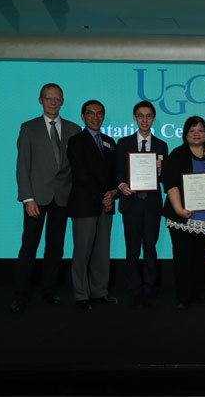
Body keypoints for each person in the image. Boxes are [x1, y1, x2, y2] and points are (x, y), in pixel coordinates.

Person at [12, 83, 81, 313]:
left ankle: (48, 293)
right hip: (36, 198)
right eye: (48, 98)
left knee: (55, 248)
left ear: (62, 101)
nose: (53, 102)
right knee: (29, 247)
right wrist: (27, 198)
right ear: (40, 100)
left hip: (62, 198)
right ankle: (20, 296)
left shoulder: (74, 129)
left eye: (57, 98)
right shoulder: (29, 128)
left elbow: (78, 167)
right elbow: (23, 166)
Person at [162, 116, 205, 310]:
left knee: (201, 258)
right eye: (192, 130)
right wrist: (179, 209)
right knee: (182, 257)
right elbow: (170, 184)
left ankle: (200, 294)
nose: (197, 134)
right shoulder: (177, 154)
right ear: (185, 134)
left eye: (201, 130)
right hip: (182, 215)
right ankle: (183, 296)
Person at [67, 100, 119, 310]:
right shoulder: (76, 141)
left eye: (99, 113)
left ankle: (99, 291)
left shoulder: (109, 141)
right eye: (90, 113)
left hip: (106, 205)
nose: (95, 117)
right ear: (82, 117)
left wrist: (113, 193)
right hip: (85, 204)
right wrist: (102, 196)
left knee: (101, 251)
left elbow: (115, 172)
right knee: (82, 252)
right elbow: (81, 174)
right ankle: (81, 295)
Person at [116, 101, 169, 309]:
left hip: (152, 205)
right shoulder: (123, 143)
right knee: (132, 250)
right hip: (131, 203)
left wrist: (160, 171)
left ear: (154, 118)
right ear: (134, 117)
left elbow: (166, 178)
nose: (144, 120)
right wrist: (121, 186)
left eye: (148, 116)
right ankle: (134, 289)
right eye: (140, 116)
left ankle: (149, 289)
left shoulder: (162, 146)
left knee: (150, 248)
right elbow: (118, 172)